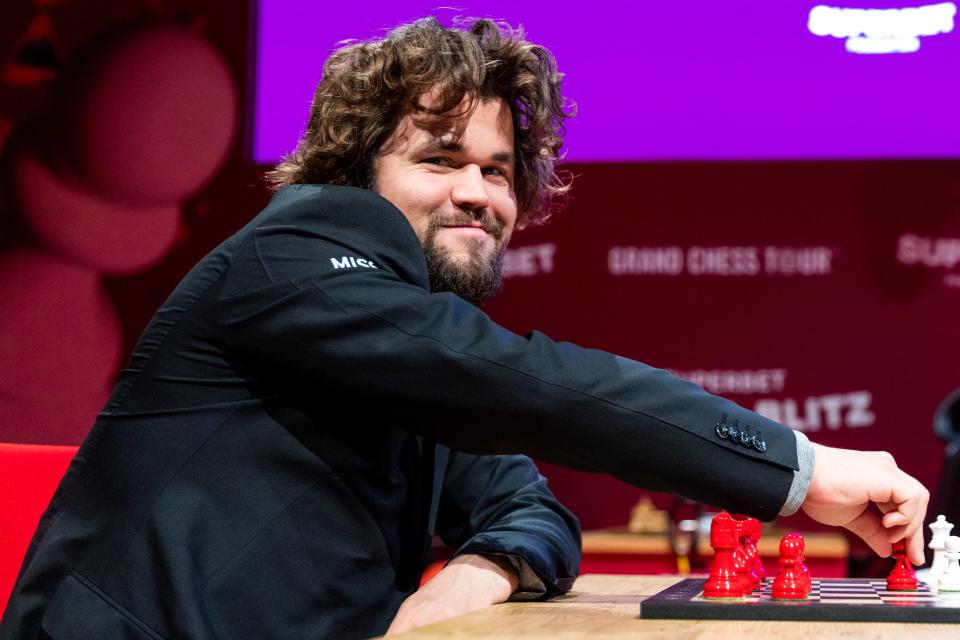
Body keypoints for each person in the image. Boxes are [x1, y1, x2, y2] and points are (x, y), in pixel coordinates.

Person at [1, 17, 929, 640]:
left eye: (499, 169)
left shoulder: (409, 341)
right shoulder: (296, 253)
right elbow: (522, 386)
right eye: (440, 158)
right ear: (355, 170)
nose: (478, 193)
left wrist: (470, 575)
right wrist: (800, 471)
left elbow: (532, 510)